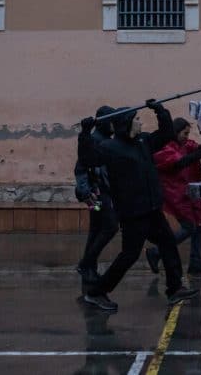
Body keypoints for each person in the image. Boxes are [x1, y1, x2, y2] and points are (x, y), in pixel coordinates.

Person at [78, 102, 198, 311]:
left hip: (152, 209)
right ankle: (96, 293)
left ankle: (174, 288)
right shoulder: (110, 148)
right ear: (127, 124)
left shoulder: (143, 142)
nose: (141, 122)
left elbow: (167, 134)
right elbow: (88, 158)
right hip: (133, 213)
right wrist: (85, 133)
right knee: (129, 255)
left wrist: (160, 111)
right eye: (137, 119)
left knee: (168, 243)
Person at [145, 118, 201, 277]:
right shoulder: (166, 148)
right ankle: (156, 252)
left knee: (200, 223)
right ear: (176, 132)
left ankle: (195, 263)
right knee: (189, 227)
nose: (187, 136)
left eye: (188, 133)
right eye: (184, 133)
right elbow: (180, 163)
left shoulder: (186, 146)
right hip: (174, 193)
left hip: (188, 191)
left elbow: (195, 162)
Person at [73, 105, 119, 292]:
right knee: (109, 227)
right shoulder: (93, 141)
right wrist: (86, 193)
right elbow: (81, 168)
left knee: (96, 229)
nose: (113, 125)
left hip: (103, 194)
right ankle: (86, 264)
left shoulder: (108, 140)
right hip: (97, 196)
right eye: (110, 121)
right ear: (101, 123)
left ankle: (88, 267)